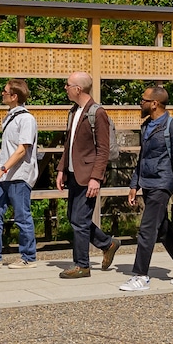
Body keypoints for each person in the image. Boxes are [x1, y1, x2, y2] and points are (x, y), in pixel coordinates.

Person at [119, 84, 173, 291]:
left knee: (146, 230)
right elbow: (143, 158)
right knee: (162, 229)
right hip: (147, 182)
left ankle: (141, 276)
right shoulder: (147, 126)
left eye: (144, 100)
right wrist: (134, 184)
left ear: (154, 104)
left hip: (162, 184)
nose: (141, 103)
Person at [55, 71, 120, 278]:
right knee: (74, 218)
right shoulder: (74, 111)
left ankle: (82, 265)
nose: (65, 88)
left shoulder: (97, 112)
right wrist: (61, 170)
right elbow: (69, 145)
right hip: (74, 173)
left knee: (80, 221)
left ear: (78, 89)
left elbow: (103, 149)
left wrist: (96, 178)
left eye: (67, 85)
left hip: (89, 174)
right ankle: (107, 243)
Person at [0, 78, 40, 269]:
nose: (2, 93)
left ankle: (28, 257)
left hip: (19, 175)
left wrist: (2, 170)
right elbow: (6, 149)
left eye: (5, 91)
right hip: (4, 175)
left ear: (14, 96)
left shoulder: (27, 119)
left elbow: (22, 149)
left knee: (22, 217)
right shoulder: (9, 117)